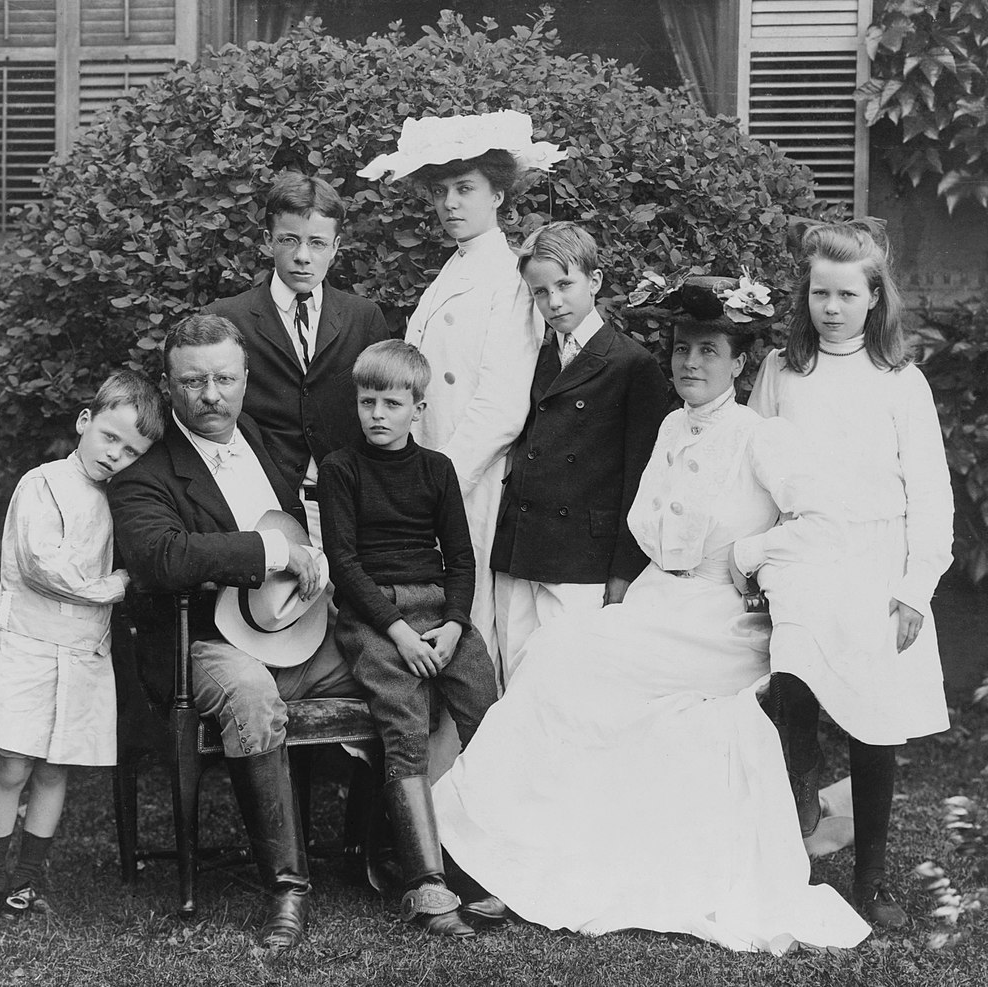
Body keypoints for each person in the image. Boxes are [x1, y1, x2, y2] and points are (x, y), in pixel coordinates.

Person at [430, 278, 872, 953]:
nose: (690, 363)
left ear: (739, 362)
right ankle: (499, 842)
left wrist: (753, 554)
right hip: (660, 604)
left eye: (708, 350)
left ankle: (511, 847)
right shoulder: (671, 424)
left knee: (580, 663)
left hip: (721, 620)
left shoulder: (760, 438)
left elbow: (826, 521)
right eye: (681, 349)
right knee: (556, 655)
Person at [108, 314, 364, 951]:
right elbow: (164, 557)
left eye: (225, 378)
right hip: (202, 645)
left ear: (247, 379)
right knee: (251, 694)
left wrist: (317, 558)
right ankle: (288, 887)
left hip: (294, 633)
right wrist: (272, 552)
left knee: (387, 665)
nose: (211, 395)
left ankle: (395, 855)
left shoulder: (259, 437)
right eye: (193, 382)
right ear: (169, 388)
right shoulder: (146, 471)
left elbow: (299, 522)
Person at [749, 220, 954, 929]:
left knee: (874, 723)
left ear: (874, 298)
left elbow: (931, 495)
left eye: (846, 294)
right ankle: (792, 843)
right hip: (805, 557)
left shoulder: (900, 382)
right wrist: (753, 556)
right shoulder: (781, 371)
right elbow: (753, 468)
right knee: (792, 691)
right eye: (819, 293)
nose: (830, 308)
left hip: (875, 564)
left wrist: (913, 589)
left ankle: (870, 879)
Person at [358, 110, 566, 682]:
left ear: (498, 194)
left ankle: (472, 764)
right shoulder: (451, 271)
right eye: (442, 191)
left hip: (470, 483)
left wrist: (437, 484)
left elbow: (501, 405)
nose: (451, 203)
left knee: (470, 629)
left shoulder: (509, 276)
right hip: (429, 479)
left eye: (466, 189)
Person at [0, 371, 166, 919]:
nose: (116, 455)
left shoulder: (123, 500)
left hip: (81, 652)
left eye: (132, 451)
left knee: (56, 768)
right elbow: (43, 567)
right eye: (109, 437)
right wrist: (117, 585)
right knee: (12, 764)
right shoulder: (44, 483)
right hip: (27, 648)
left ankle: (27, 880)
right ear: (85, 421)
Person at [318, 340, 498, 938]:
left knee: (484, 705)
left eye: (391, 404)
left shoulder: (437, 470)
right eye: (368, 401)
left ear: (417, 409)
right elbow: (343, 563)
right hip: (374, 615)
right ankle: (425, 880)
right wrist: (399, 633)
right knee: (404, 717)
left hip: (437, 610)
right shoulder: (342, 469)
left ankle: (489, 862)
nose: (377, 415)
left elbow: (462, 560)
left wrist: (452, 625)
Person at [491, 222, 669, 681]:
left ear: (595, 280)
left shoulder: (632, 364)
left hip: (582, 561)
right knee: (515, 682)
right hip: (520, 550)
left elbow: (641, 480)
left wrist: (624, 573)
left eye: (565, 285)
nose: (553, 302)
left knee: (568, 684)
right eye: (539, 292)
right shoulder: (534, 354)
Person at [205, 172, 389, 545]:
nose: (303, 257)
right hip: (259, 508)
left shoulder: (363, 317)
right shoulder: (228, 317)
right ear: (267, 241)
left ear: (336, 246)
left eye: (317, 243)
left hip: (349, 509)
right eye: (290, 240)